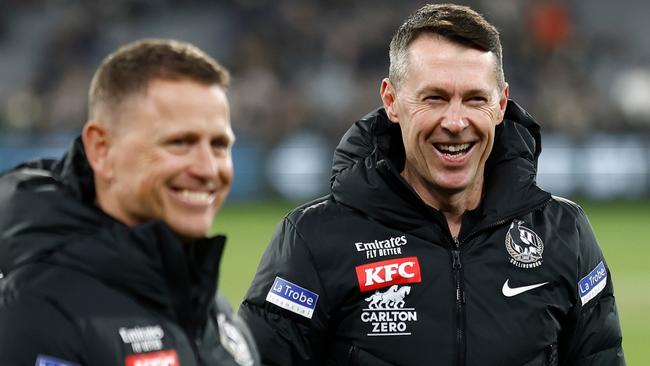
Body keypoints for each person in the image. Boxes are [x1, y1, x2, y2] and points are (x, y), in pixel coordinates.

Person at [239, 4, 625, 366]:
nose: (456, 122)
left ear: (502, 105)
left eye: (475, 99)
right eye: (435, 98)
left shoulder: (564, 234)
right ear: (391, 101)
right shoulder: (312, 240)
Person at [0, 39, 259, 366]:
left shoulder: (217, 316)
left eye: (220, 145)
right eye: (180, 142)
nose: (208, 169)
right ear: (101, 150)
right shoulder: (39, 313)